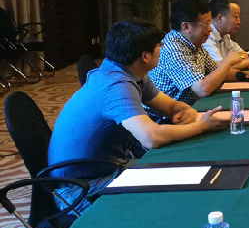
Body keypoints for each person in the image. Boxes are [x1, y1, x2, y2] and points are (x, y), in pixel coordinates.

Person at [47, 18, 228, 213]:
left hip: (106, 169)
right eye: (159, 46)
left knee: (181, 172)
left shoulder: (127, 72)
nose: (162, 50)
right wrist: (201, 126)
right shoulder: (115, 86)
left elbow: (171, 107)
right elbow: (152, 138)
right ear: (145, 56)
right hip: (80, 190)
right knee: (176, 196)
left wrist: (186, 113)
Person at [149, 0, 249, 108]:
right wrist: (227, 61)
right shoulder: (173, 48)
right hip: (168, 118)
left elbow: (217, 71)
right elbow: (202, 89)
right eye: (206, 24)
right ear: (186, 27)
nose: (210, 29)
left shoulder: (194, 43)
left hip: (188, 109)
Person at [204, 0, 249, 70]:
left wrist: (231, 62)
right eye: (236, 17)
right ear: (220, 18)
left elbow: (243, 54)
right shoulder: (206, 38)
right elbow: (219, 70)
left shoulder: (225, 35)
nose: (239, 22)